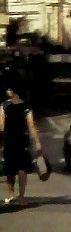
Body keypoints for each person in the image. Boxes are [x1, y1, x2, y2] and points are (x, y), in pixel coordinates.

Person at [0, 78, 44, 206]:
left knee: (9, 168)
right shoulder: (26, 107)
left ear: (13, 91)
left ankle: (10, 194)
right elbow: (31, 126)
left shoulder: (4, 106)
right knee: (22, 168)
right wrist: (37, 142)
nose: (7, 91)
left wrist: (1, 142)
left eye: (9, 89)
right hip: (22, 140)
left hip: (9, 140)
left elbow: (1, 126)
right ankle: (22, 196)